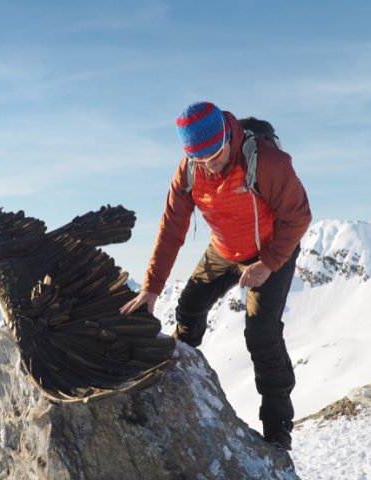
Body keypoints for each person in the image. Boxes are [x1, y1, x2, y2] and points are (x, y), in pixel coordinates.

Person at [120, 101, 311, 450]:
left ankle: (278, 429)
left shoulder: (266, 162)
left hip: (271, 250)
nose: (211, 164)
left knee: (261, 334)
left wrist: (268, 263)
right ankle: (178, 367)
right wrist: (150, 288)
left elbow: (298, 217)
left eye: (216, 154)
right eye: (201, 159)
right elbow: (171, 229)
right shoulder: (189, 171)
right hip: (224, 250)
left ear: (228, 135)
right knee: (189, 306)